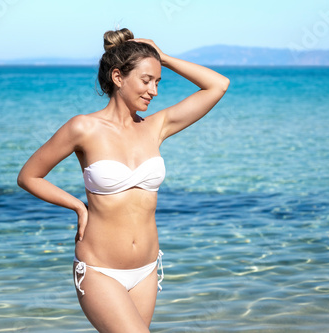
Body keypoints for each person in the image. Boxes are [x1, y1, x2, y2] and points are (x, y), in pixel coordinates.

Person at [17, 28, 229, 332]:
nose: (154, 91)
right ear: (118, 77)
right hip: (100, 270)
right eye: (146, 81)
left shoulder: (156, 127)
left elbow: (218, 86)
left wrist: (162, 58)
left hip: (146, 270)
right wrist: (78, 206)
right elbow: (29, 176)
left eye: (157, 82)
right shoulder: (83, 128)